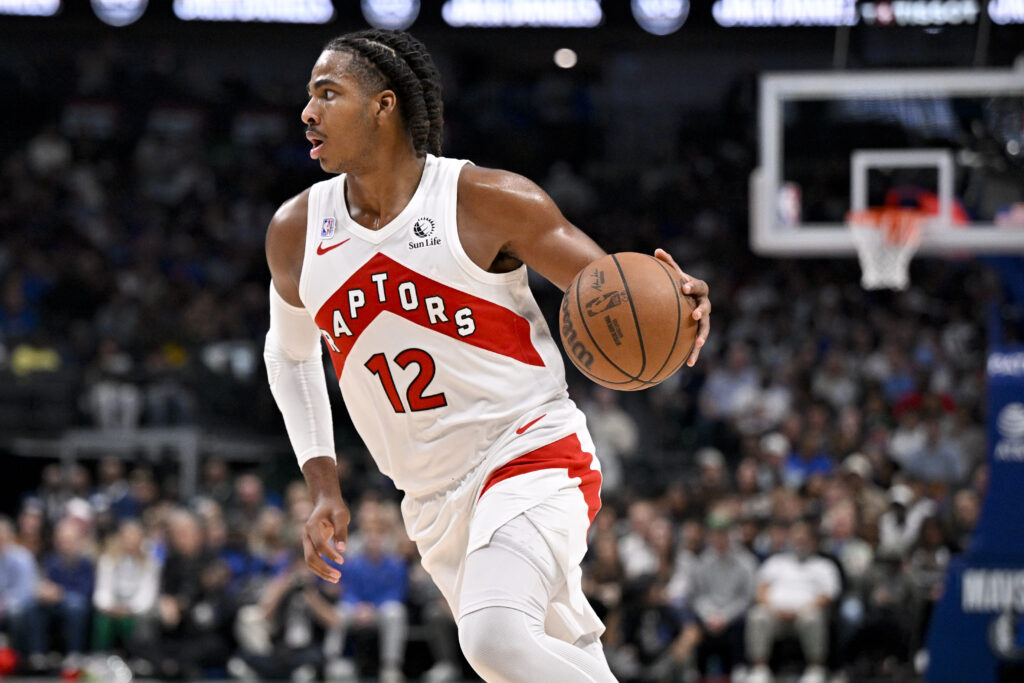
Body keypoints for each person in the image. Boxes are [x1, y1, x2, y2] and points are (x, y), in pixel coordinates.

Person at [263, 28, 711, 682]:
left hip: (528, 451)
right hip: (429, 498)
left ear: (384, 105)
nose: (307, 112)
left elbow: (611, 290)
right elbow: (289, 354)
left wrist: (679, 300)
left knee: (493, 635)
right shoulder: (297, 231)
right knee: (537, 660)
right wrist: (322, 485)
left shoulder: (485, 200)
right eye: (310, 96)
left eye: (328, 94)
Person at [745, 521, 840, 683]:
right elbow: (761, 589)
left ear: (812, 541)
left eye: (803, 540)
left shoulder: (823, 566)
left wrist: (802, 610)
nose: (799, 543)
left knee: (812, 617)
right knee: (757, 615)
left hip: (805, 613)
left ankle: (815, 668)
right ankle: (760, 669)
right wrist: (773, 608)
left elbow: (828, 595)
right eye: (796, 539)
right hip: (775, 614)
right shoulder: (776, 562)